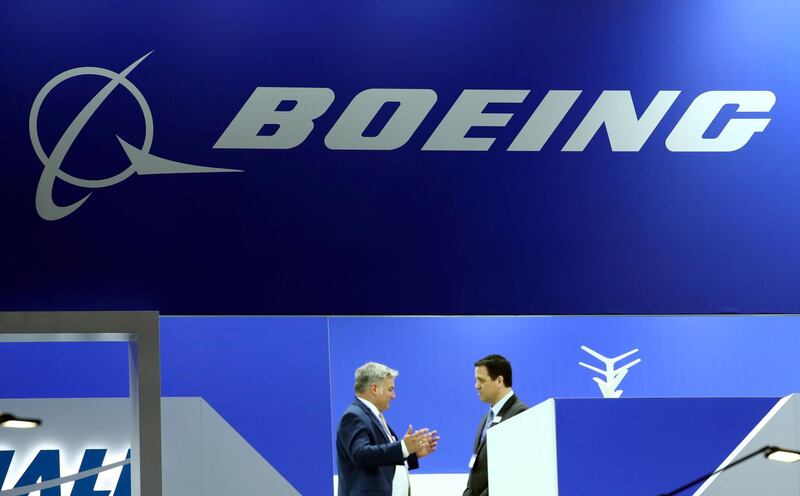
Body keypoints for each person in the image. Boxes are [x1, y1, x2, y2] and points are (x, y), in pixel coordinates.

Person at [336, 362, 439, 496]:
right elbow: (361, 455)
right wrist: (403, 447)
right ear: (374, 389)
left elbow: (380, 460)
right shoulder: (353, 416)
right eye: (390, 389)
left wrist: (411, 454)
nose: (393, 395)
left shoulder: (373, 416)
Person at [463, 354, 527, 496]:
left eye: (481, 380)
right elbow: (476, 470)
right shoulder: (487, 418)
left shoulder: (519, 415)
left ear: (499, 381)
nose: (476, 386)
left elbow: (511, 473)